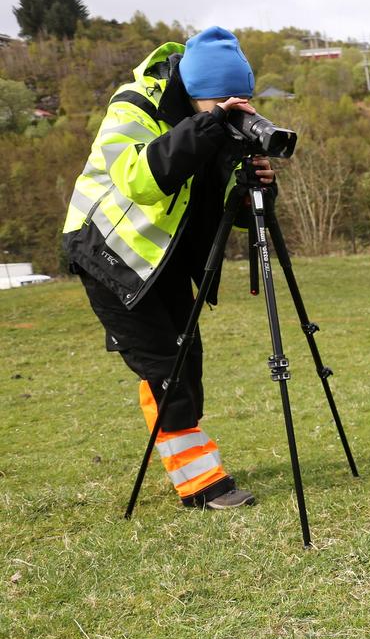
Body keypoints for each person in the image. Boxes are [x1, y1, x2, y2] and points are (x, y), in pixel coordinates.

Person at [61, 27, 275, 510]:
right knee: (164, 366)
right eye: (223, 98)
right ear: (197, 91)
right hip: (108, 254)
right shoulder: (135, 105)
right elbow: (139, 179)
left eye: (242, 98)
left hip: (167, 262)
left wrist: (258, 186)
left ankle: (190, 456)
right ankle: (201, 485)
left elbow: (228, 208)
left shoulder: (218, 121)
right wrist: (209, 129)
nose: (234, 106)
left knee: (184, 358)